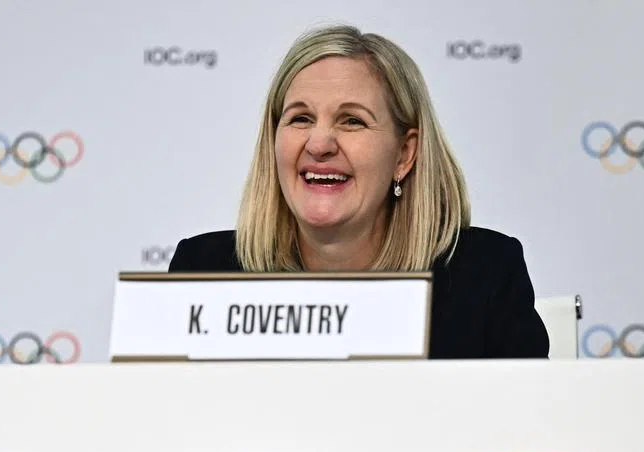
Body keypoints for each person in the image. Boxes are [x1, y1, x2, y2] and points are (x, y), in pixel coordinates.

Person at [168, 24, 549, 359]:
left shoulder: (486, 277)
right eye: (301, 118)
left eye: (352, 121)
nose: (319, 144)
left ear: (404, 153)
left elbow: (527, 416)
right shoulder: (203, 272)